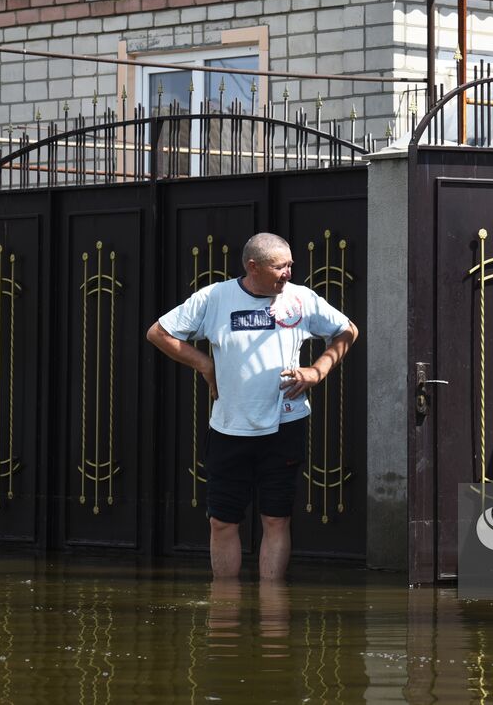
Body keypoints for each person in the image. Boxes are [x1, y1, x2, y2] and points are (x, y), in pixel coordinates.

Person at [147, 232, 358, 580]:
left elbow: (347, 330)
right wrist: (204, 363)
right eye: (280, 267)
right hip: (229, 428)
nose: (288, 273)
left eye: (290, 264)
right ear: (253, 267)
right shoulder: (215, 297)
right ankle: (226, 610)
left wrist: (317, 371)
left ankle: (272, 611)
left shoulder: (301, 299)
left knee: (276, 517)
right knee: (222, 521)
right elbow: (159, 332)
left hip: (284, 424)